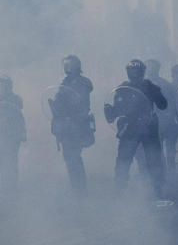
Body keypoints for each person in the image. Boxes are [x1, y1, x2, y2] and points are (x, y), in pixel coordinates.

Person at [104, 59, 167, 198]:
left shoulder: (150, 86)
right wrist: (110, 111)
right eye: (131, 71)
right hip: (129, 128)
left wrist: (156, 92)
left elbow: (163, 105)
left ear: (142, 72)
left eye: (137, 71)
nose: (134, 74)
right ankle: (119, 191)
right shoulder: (123, 88)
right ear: (127, 72)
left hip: (148, 127)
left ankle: (158, 190)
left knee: (153, 160)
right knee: (123, 160)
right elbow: (117, 110)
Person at [49, 55, 94, 196]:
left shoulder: (82, 83)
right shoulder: (65, 83)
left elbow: (79, 104)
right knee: (70, 157)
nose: (66, 68)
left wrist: (66, 111)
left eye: (69, 65)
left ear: (76, 66)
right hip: (66, 127)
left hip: (78, 126)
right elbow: (59, 103)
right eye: (65, 65)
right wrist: (55, 106)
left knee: (73, 157)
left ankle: (80, 190)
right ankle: (78, 188)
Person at [0, 75, 26, 193]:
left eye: (2, 84)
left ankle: (11, 187)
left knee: (10, 162)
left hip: (11, 136)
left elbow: (17, 117)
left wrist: (18, 133)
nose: (0, 87)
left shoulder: (14, 100)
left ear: (8, 86)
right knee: (0, 161)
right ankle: (6, 184)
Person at [149, 60, 178, 172]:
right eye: (149, 67)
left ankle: (171, 170)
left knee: (170, 149)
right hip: (152, 122)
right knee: (156, 149)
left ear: (158, 69)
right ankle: (160, 170)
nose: (151, 69)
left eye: (153, 67)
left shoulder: (166, 84)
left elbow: (174, 102)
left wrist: (171, 116)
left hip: (167, 121)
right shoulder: (143, 84)